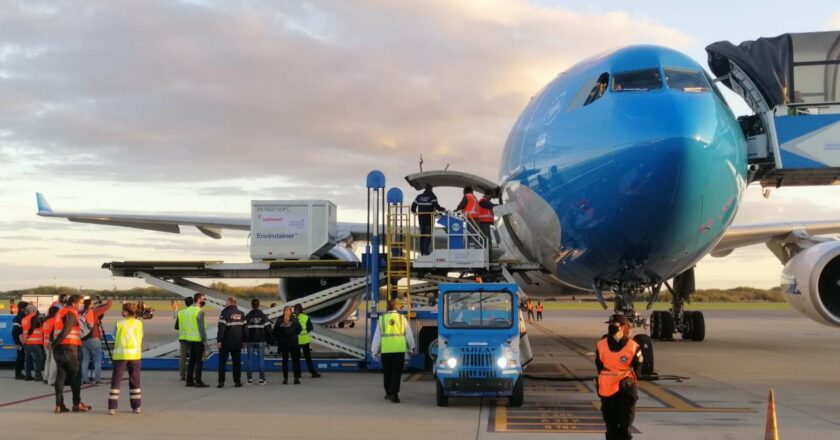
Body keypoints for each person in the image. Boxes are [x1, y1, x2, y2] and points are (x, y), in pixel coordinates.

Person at [596, 314, 642, 440]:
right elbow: (599, 365)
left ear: (622, 327)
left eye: (614, 325)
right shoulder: (601, 345)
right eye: (610, 325)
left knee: (625, 425)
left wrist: (629, 381)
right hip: (607, 389)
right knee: (610, 426)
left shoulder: (633, 346)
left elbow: (638, 368)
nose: (611, 327)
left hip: (625, 389)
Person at [51, 294, 92, 413]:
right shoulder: (70, 313)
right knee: (76, 376)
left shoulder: (60, 312)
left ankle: (59, 405)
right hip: (69, 348)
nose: (81, 305)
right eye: (80, 303)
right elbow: (65, 331)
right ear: (74, 304)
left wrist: (54, 345)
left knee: (61, 376)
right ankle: (76, 403)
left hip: (60, 350)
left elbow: (54, 330)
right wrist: (55, 344)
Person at [371, 299, 416, 403]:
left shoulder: (382, 319)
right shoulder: (402, 318)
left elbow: (377, 336)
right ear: (396, 307)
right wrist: (411, 348)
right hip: (398, 350)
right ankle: (395, 394)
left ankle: (388, 393)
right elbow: (408, 334)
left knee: (387, 372)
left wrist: (374, 350)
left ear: (387, 307)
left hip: (386, 351)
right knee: (396, 373)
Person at [108, 303, 144, 415]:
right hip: (135, 355)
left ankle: (112, 407)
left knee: (116, 381)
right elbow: (141, 336)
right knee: (135, 381)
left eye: (123, 310)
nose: (121, 312)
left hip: (121, 355)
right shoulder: (139, 323)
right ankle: (136, 406)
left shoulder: (119, 323)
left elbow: (114, 335)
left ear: (126, 312)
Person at [81, 297, 113, 384]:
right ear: (90, 305)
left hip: (83, 339)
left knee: (85, 359)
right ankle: (97, 378)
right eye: (92, 304)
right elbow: (107, 306)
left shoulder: (81, 312)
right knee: (97, 359)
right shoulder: (94, 311)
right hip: (93, 337)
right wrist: (109, 299)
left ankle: (85, 379)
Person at [217, 296, 246, 388]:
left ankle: (221, 382)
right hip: (237, 342)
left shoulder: (224, 313)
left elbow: (221, 328)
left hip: (226, 342)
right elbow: (245, 329)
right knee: (236, 363)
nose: (225, 303)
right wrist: (244, 340)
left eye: (226, 301)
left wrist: (219, 340)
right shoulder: (241, 314)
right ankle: (237, 381)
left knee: (222, 362)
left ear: (230, 302)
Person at [410, 184, 446, 255]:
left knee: (422, 236)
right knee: (428, 235)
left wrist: (415, 212)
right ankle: (425, 251)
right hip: (429, 220)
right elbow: (436, 206)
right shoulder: (432, 196)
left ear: (425, 189)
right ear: (431, 189)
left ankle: (422, 252)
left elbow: (413, 207)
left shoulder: (419, 196)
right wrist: (443, 209)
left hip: (421, 220)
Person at [183, 293, 209, 388]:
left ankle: (189, 381)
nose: (204, 301)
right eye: (203, 299)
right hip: (198, 339)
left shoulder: (187, 310)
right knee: (199, 361)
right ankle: (198, 381)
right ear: (198, 299)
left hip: (189, 339)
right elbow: (201, 327)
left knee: (191, 361)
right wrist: (205, 340)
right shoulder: (199, 311)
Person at [272, 306, 301, 385]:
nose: (288, 312)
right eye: (287, 311)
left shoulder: (292, 320)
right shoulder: (283, 320)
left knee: (290, 361)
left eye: (288, 311)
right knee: (289, 361)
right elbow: (275, 331)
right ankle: (290, 378)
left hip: (289, 342)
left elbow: (299, 329)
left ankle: (291, 378)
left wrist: (283, 336)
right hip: (288, 342)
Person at [245, 299, 271, 385]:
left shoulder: (248, 316)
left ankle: (249, 380)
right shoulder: (263, 315)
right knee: (261, 360)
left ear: (251, 305)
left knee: (249, 360)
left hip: (250, 341)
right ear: (259, 305)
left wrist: (244, 340)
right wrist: (268, 340)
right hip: (261, 340)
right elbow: (268, 329)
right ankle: (262, 379)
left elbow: (244, 329)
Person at [294, 304, 321, 378]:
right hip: (305, 340)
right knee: (308, 357)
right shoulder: (305, 317)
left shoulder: (293, 317)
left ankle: (297, 374)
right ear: (301, 309)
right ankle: (313, 373)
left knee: (296, 358)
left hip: (296, 341)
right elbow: (310, 328)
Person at [21, 305, 45, 381]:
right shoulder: (34, 317)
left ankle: (27, 375)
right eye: (34, 308)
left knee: (28, 359)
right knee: (37, 359)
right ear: (32, 310)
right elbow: (32, 328)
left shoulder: (24, 319)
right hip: (35, 342)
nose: (36, 308)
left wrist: (25, 339)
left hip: (26, 342)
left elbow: (24, 329)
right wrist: (28, 336)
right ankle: (38, 376)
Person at [174, 296, 194, 381]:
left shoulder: (181, 313)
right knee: (193, 357)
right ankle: (191, 374)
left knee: (183, 357)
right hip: (193, 338)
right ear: (192, 303)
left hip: (183, 338)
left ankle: (182, 375)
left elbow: (176, 327)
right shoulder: (195, 312)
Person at [42, 305, 60, 386]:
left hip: (45, 343)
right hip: (52, 343)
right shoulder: (55, 320)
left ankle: (45, 377)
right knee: (54, 362)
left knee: (47, 360)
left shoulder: (45, 320)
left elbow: (44, 332)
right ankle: (52, 380)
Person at [12, 301, 29, 380]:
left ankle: (19, 373)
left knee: (21, 357)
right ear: (23, 308)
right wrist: (17, 342)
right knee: (20, 357)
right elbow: (15, 331)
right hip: (19, 341)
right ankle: (18, 374)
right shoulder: (19, 318)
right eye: (27, 307)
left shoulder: (21, 316)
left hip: (21, 340)